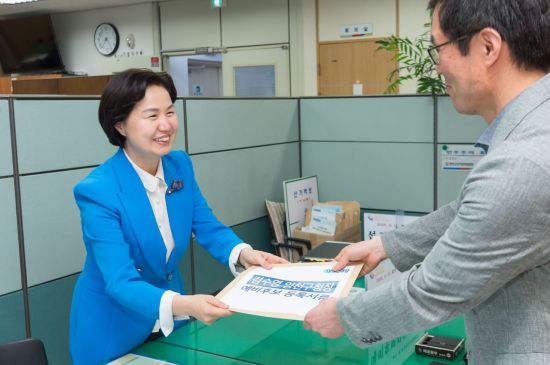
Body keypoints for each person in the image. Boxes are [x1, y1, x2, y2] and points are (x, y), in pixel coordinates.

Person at [304, 0, 550, 364]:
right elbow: (472, 212)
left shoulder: (522, 162)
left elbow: (433, 289)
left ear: (487, 46)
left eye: (438, 47)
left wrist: (344, 316)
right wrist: (383, 246)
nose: (436, 66)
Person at [69, 69, 286, 365]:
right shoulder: (98, 191)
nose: (166, 125)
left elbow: (206, 224)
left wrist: (244, 254)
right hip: (113, 330)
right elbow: (120, 282)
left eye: (170, 112)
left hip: (171, 326)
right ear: (120, 125)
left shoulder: (178, 165)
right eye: (152, 115)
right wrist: (186, 304)